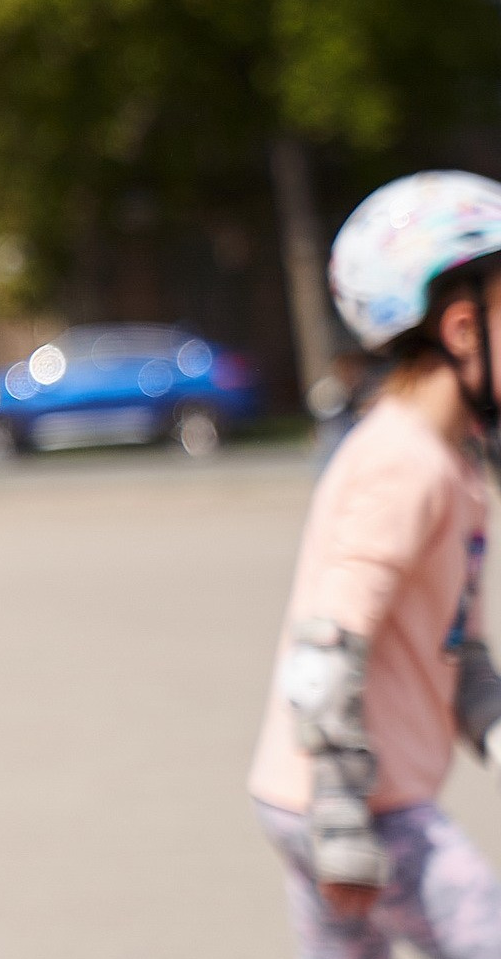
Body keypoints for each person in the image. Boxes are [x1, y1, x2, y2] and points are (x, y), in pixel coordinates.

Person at [248, 170, 501, 959]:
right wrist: (343, 820)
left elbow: (457, 645)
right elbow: (328, 644)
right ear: (464, 329)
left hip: (313, 791)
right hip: (358, 803)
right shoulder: (404, 462)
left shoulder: (451, 464)